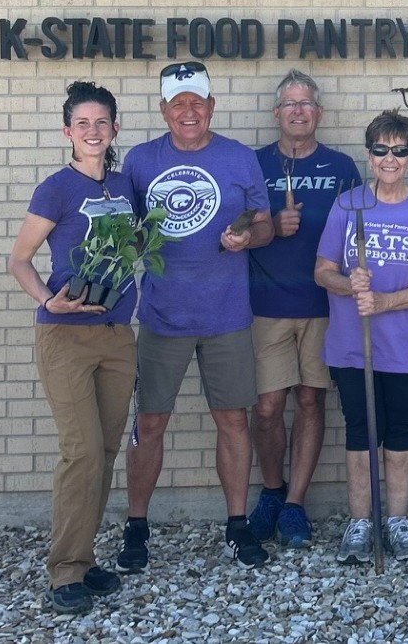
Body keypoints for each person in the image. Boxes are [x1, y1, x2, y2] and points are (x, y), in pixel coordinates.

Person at [116, 62, 275, 571]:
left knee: (233, 419)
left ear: (212, 106)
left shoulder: (239, 158)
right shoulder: (140, 161)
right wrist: (134, 242)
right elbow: (129, 231)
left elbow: (266, 225)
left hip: (228, 314)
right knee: (149, 420)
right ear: (163, 109)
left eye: (198, 101)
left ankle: (236, 526)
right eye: (178, 102)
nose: (189, 110)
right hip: (162, 316)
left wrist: (247, 237)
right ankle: (136, 528)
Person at [8, 81, 137, 614]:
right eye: (82, 123)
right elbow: (20, 258)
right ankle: (63, 571)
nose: (92, 131)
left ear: (114, 130)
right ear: (68, 132)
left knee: (104, 453)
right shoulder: (56, 189)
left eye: (101, 122)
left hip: (117, 335)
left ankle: (83, 559)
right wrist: (47, 299)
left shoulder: (127, 186)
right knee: (80, 451)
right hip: (64, 335)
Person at [314, 109, 408, 564]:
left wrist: (385, 302)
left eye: (399, 151)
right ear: (368, 154)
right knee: (360, 430)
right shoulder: (348, 205)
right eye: (380, 150)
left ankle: (396, 520)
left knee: (402, 430)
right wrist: (349, 284)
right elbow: (323, 271)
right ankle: (359, 523)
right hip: (353, 344)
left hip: (407, 346)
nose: (389, 159)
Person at [246, 69, 361, 548]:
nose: (298, 111)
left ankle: (295, 504)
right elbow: (232, 232)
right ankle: (271, 491)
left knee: (311, 399)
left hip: (323, 305)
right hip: (266, 303)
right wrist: (271, 225)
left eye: (306, 103)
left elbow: (360, 230)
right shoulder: (252, 164)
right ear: (276, 114)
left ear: (319, 113)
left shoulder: (341, 166)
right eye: (289, 104)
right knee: (270, 405)